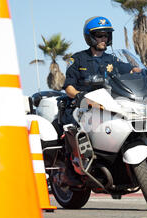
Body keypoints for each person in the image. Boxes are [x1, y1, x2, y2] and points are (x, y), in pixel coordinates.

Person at [60, 16, 140, 186]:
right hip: (83, 105)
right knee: (72, 129)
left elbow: (132, 70)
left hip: (107, 105)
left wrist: (142, 72)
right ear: (90, 37)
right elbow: (68, 87)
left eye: (106, 35)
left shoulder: (112, 60)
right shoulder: (78, 59)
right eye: (100, 35)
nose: (104, 39)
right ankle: (68, 170)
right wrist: (80, 95)